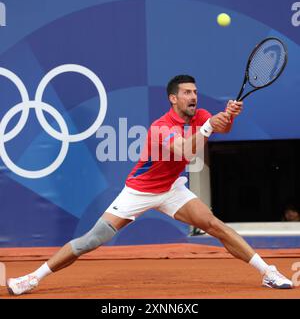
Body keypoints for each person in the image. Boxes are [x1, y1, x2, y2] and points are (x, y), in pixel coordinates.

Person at [7, 75, 293, 295]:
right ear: (173, 99)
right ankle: (33, 277)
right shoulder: (160, 127)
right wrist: (208, 127)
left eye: (195, 91)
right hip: (140, 191)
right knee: (90, 241)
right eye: (187, 93)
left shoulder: (201, 116)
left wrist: (228, 116)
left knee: (215, 225)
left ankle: (267, 271)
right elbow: (183, 151)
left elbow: (222, 128)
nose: (193, 96)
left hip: (171, 189)